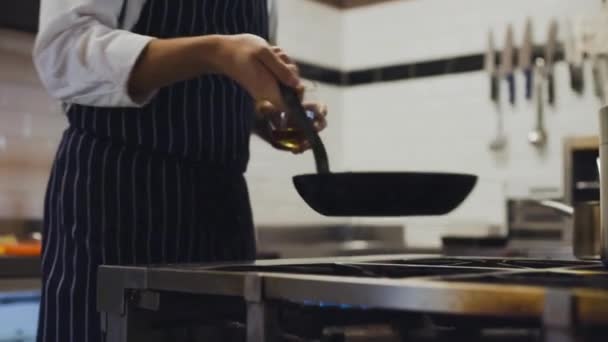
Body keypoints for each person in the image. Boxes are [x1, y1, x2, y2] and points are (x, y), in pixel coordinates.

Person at [33, 0, 327, 341]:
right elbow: (63, 52)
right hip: (115, 200)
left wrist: (271, 116)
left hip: (222, 214)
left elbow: (233, 89)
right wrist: (214, 51)